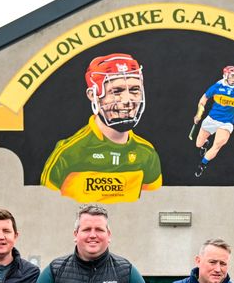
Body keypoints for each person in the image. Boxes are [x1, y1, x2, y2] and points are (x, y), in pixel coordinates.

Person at [40, 53, 162, 203]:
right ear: (93, 95)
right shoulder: (68, 153)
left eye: (134, 90)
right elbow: (43, 203)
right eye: (116, 91)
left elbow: (154, 206)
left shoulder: (147, 153)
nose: (127, 101)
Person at [192, 65, 234, 178]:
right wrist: (198, 114)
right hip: (211, 119)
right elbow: (203, 99)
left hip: (226, 123)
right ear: (225, 76)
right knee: (198, 144)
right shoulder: (217, 86)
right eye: (232, 76)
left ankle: (202, 164)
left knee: (217, 145)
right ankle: (204, 144)